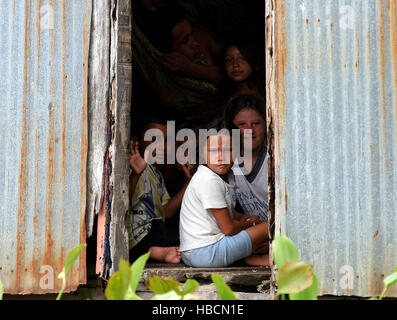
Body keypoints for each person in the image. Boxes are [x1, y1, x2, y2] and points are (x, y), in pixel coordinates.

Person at [179, 118, 269, 267]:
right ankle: (257, 259)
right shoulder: (208, 179)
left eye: (228, 149)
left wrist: (243, 218)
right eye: (213, 150)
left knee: (257, 230)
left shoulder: (225, 175)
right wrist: (251, 223)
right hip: (204, 253)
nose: (221, 157)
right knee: (270, 225)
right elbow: (228, 229)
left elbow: (226, 209)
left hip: (197, 252)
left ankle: (250, 257)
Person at [128, 115, 192, 264]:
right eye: (154, 140)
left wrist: (189, 182)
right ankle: (154, 252)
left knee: (190, 234)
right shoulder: (130, 167)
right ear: (137, 142)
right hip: (136, 236)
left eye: (167, 140)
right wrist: (135, 176)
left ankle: (156, 251)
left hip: (155, 231)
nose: (163, 147)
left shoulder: (155, 173)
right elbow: (119, 206)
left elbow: (166, 212)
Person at [146, 7, 222, 86]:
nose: (196, 43)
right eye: (185, 41)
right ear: (168, 52)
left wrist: (191, 68)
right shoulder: (170, 82)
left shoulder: (202, 39)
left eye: (192, 33)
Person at [224, 94, 269, 222]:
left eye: (256, 123)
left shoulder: (274, 160)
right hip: (258, 235)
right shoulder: (227, 162)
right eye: (241, 124)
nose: (249, 130)